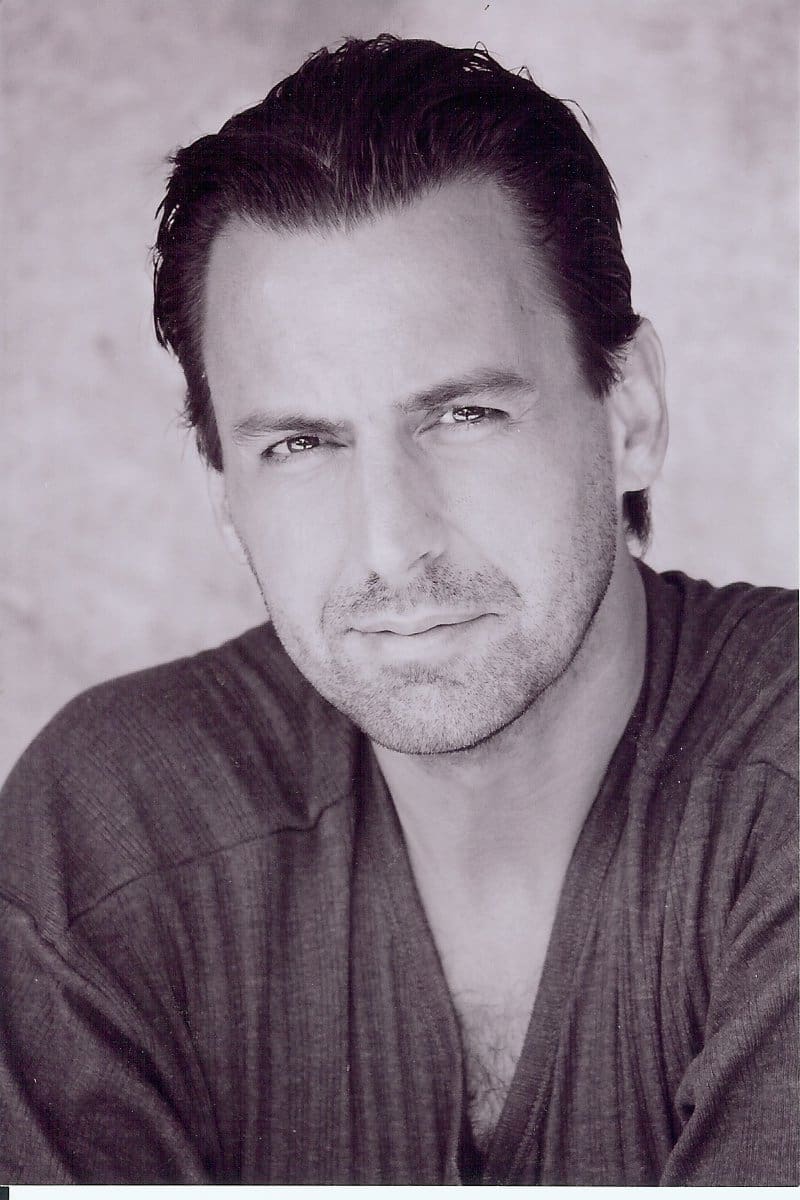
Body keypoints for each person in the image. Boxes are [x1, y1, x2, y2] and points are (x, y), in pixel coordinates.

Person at [1, 35, 796, 1187]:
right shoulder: (115, 827)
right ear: (223, 491)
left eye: (462, 416)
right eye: (299, 444)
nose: (391, 542)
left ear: (627, 413)